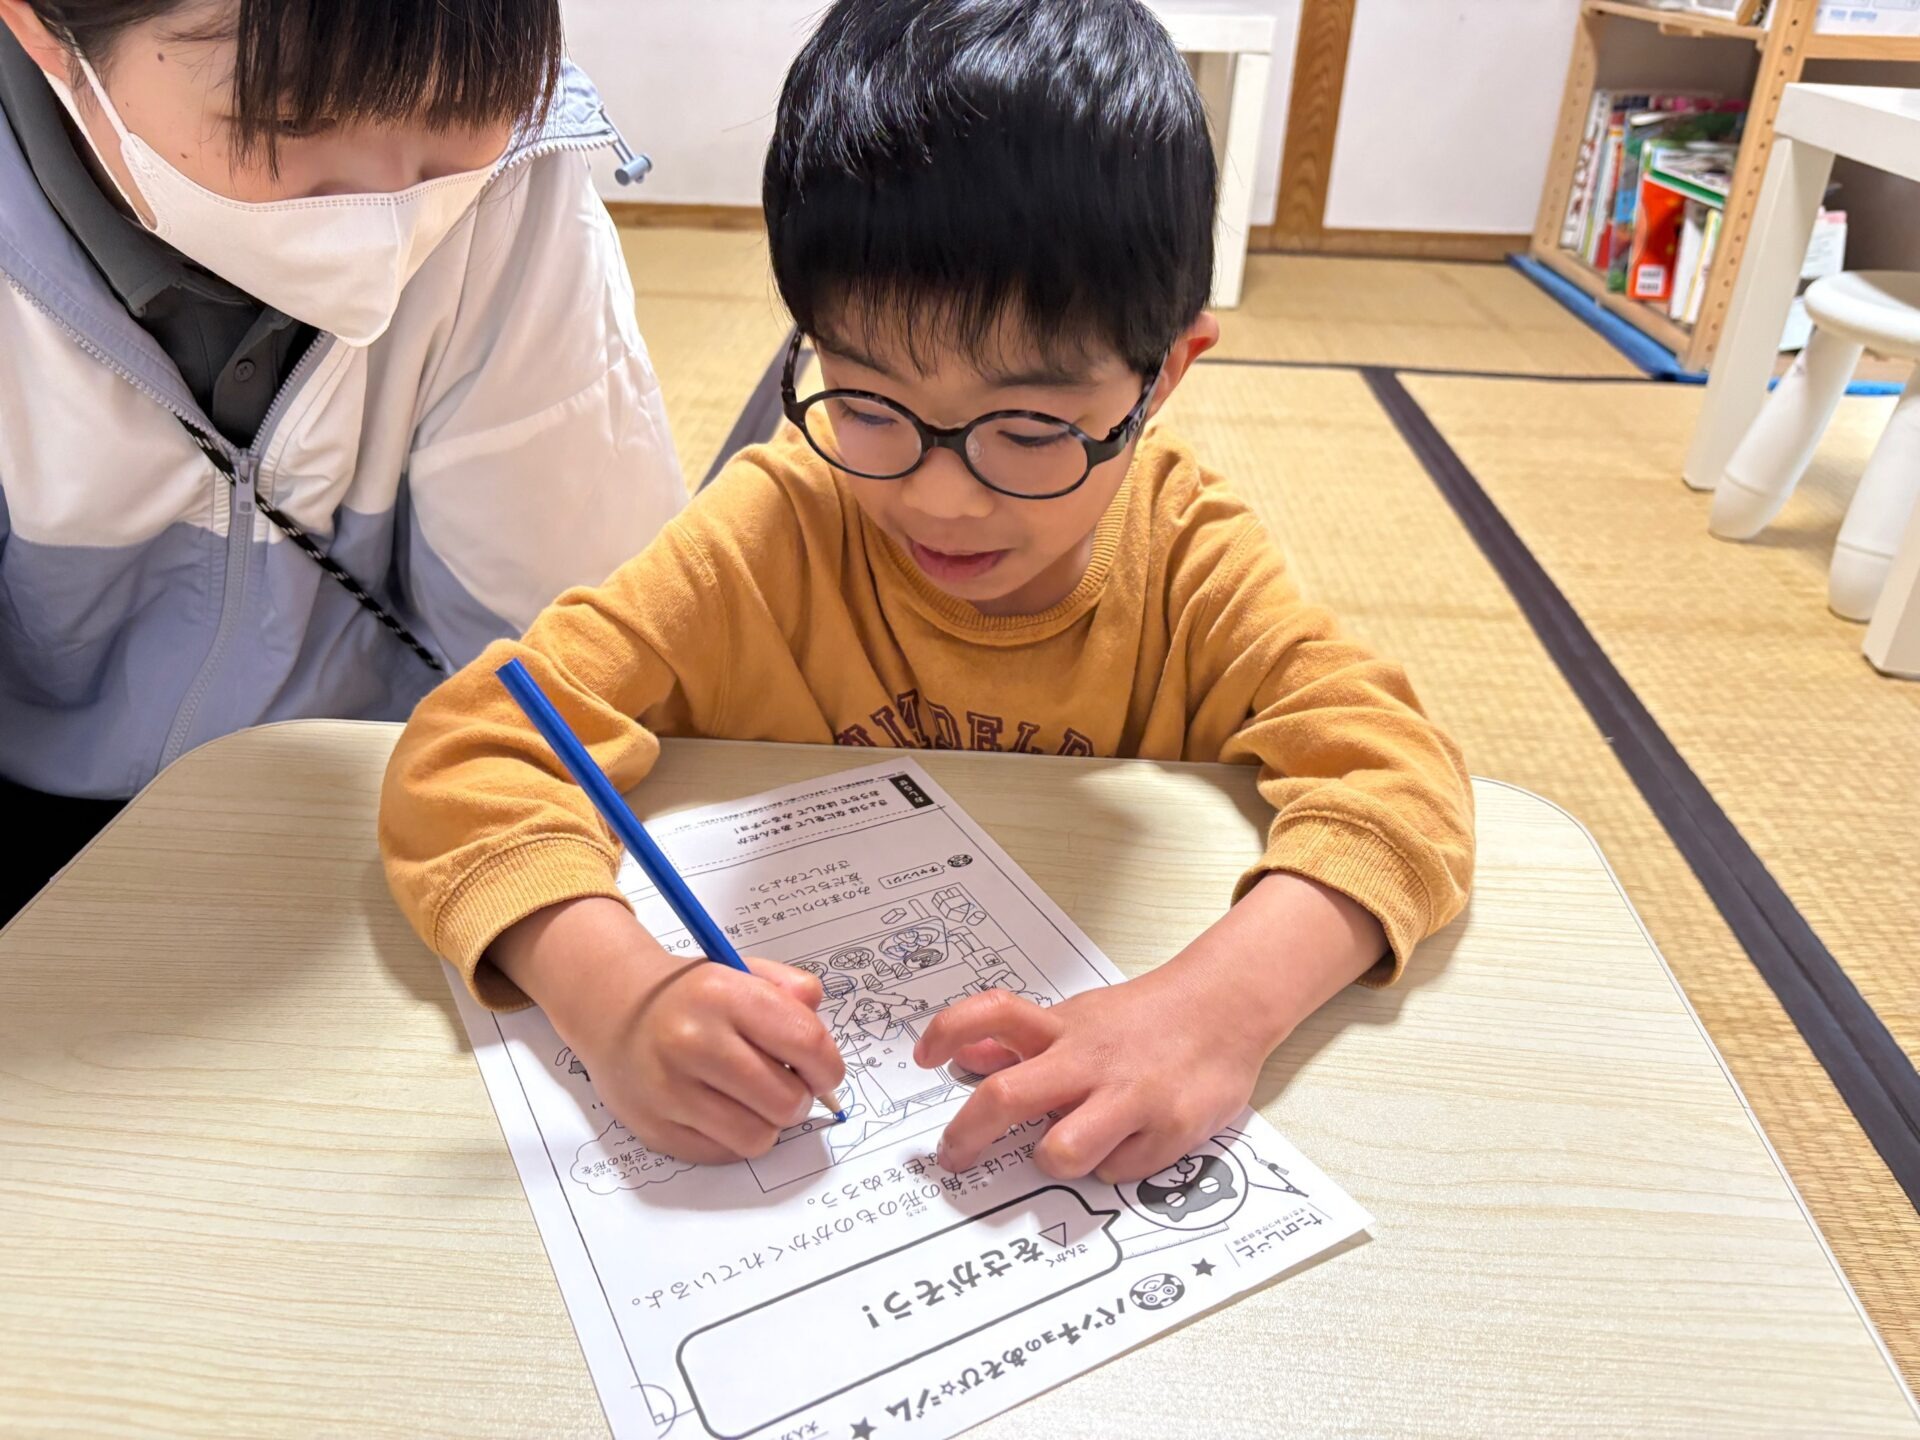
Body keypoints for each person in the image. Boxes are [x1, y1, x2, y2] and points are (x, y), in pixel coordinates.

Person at [379, 0, 1476, 1184]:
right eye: (867, 404)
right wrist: (617, 990)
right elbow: (478, 750)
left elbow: (1398, 776)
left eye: (1029, 428)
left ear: (1165, 375)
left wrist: (1214, 1010)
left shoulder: (1187, 557)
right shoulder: (778, 525)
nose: (943, 499)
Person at [0, 0, 685, 917]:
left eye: (462, 109)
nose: (388, 214)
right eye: (287, 121)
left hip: (403, 806)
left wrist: (558, 920)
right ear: (41, 29)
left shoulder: (519, 187)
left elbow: (564, 668)